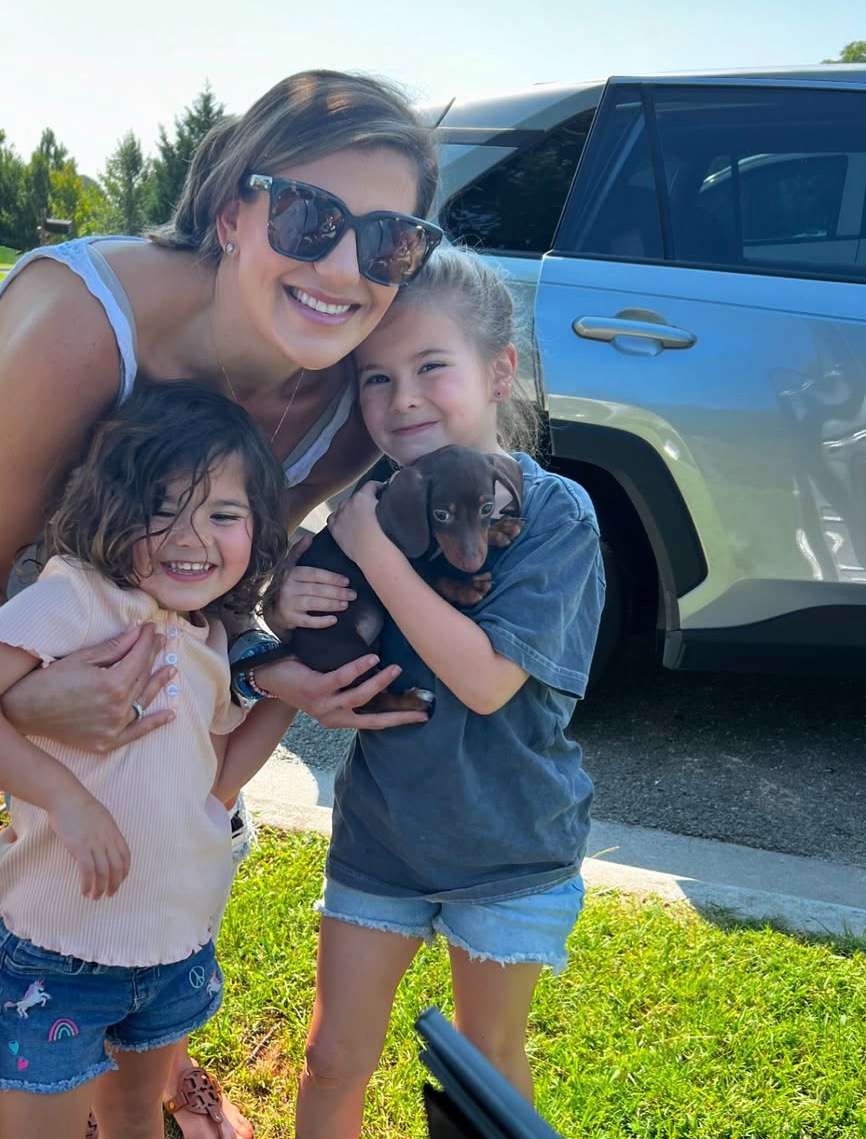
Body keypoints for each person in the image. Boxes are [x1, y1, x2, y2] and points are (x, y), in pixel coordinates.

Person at [0, 68, 442, 1137]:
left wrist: (276, 670)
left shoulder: (354, 388)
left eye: (388, 239)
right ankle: (63, 1036)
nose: (344, 267)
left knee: (174, 770)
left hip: (174, 506)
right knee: (81, 744)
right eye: (311, 217)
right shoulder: (79, 324)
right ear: (234, 210)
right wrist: (27, 703)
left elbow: (232, 585)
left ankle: (150, 1055)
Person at [264, 247, 605, 1138]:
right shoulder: (370, 501)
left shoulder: (553, 512)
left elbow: (487, 680)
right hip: (383, 835)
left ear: (500, 371)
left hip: (509, 843)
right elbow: (302, 622)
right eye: (375, 377)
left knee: (484, 1065)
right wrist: (284, 599)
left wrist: (373, 546)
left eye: (429, 368)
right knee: (334, 1055)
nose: (401, 398)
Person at [0, 385, 298, 1139]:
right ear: (109, 508)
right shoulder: (78, 600)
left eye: (223, 514)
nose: (192, 537)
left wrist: (290, 685)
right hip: (59, 957)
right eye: (161, 507)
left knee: (136, 1123)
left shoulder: (207, 631)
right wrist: (67, 797)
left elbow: (222, 772)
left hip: (173, 947)